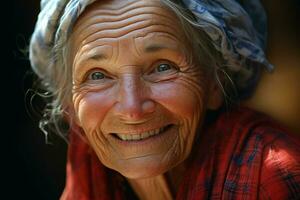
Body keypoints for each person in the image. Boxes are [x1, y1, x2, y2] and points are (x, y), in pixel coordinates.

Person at [29, 0, 300, 199]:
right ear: (70, 105)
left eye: (162, 67)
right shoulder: (89, 170)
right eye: (98, 75)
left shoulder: (271, 178)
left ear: (214, 83)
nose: (132, 109)